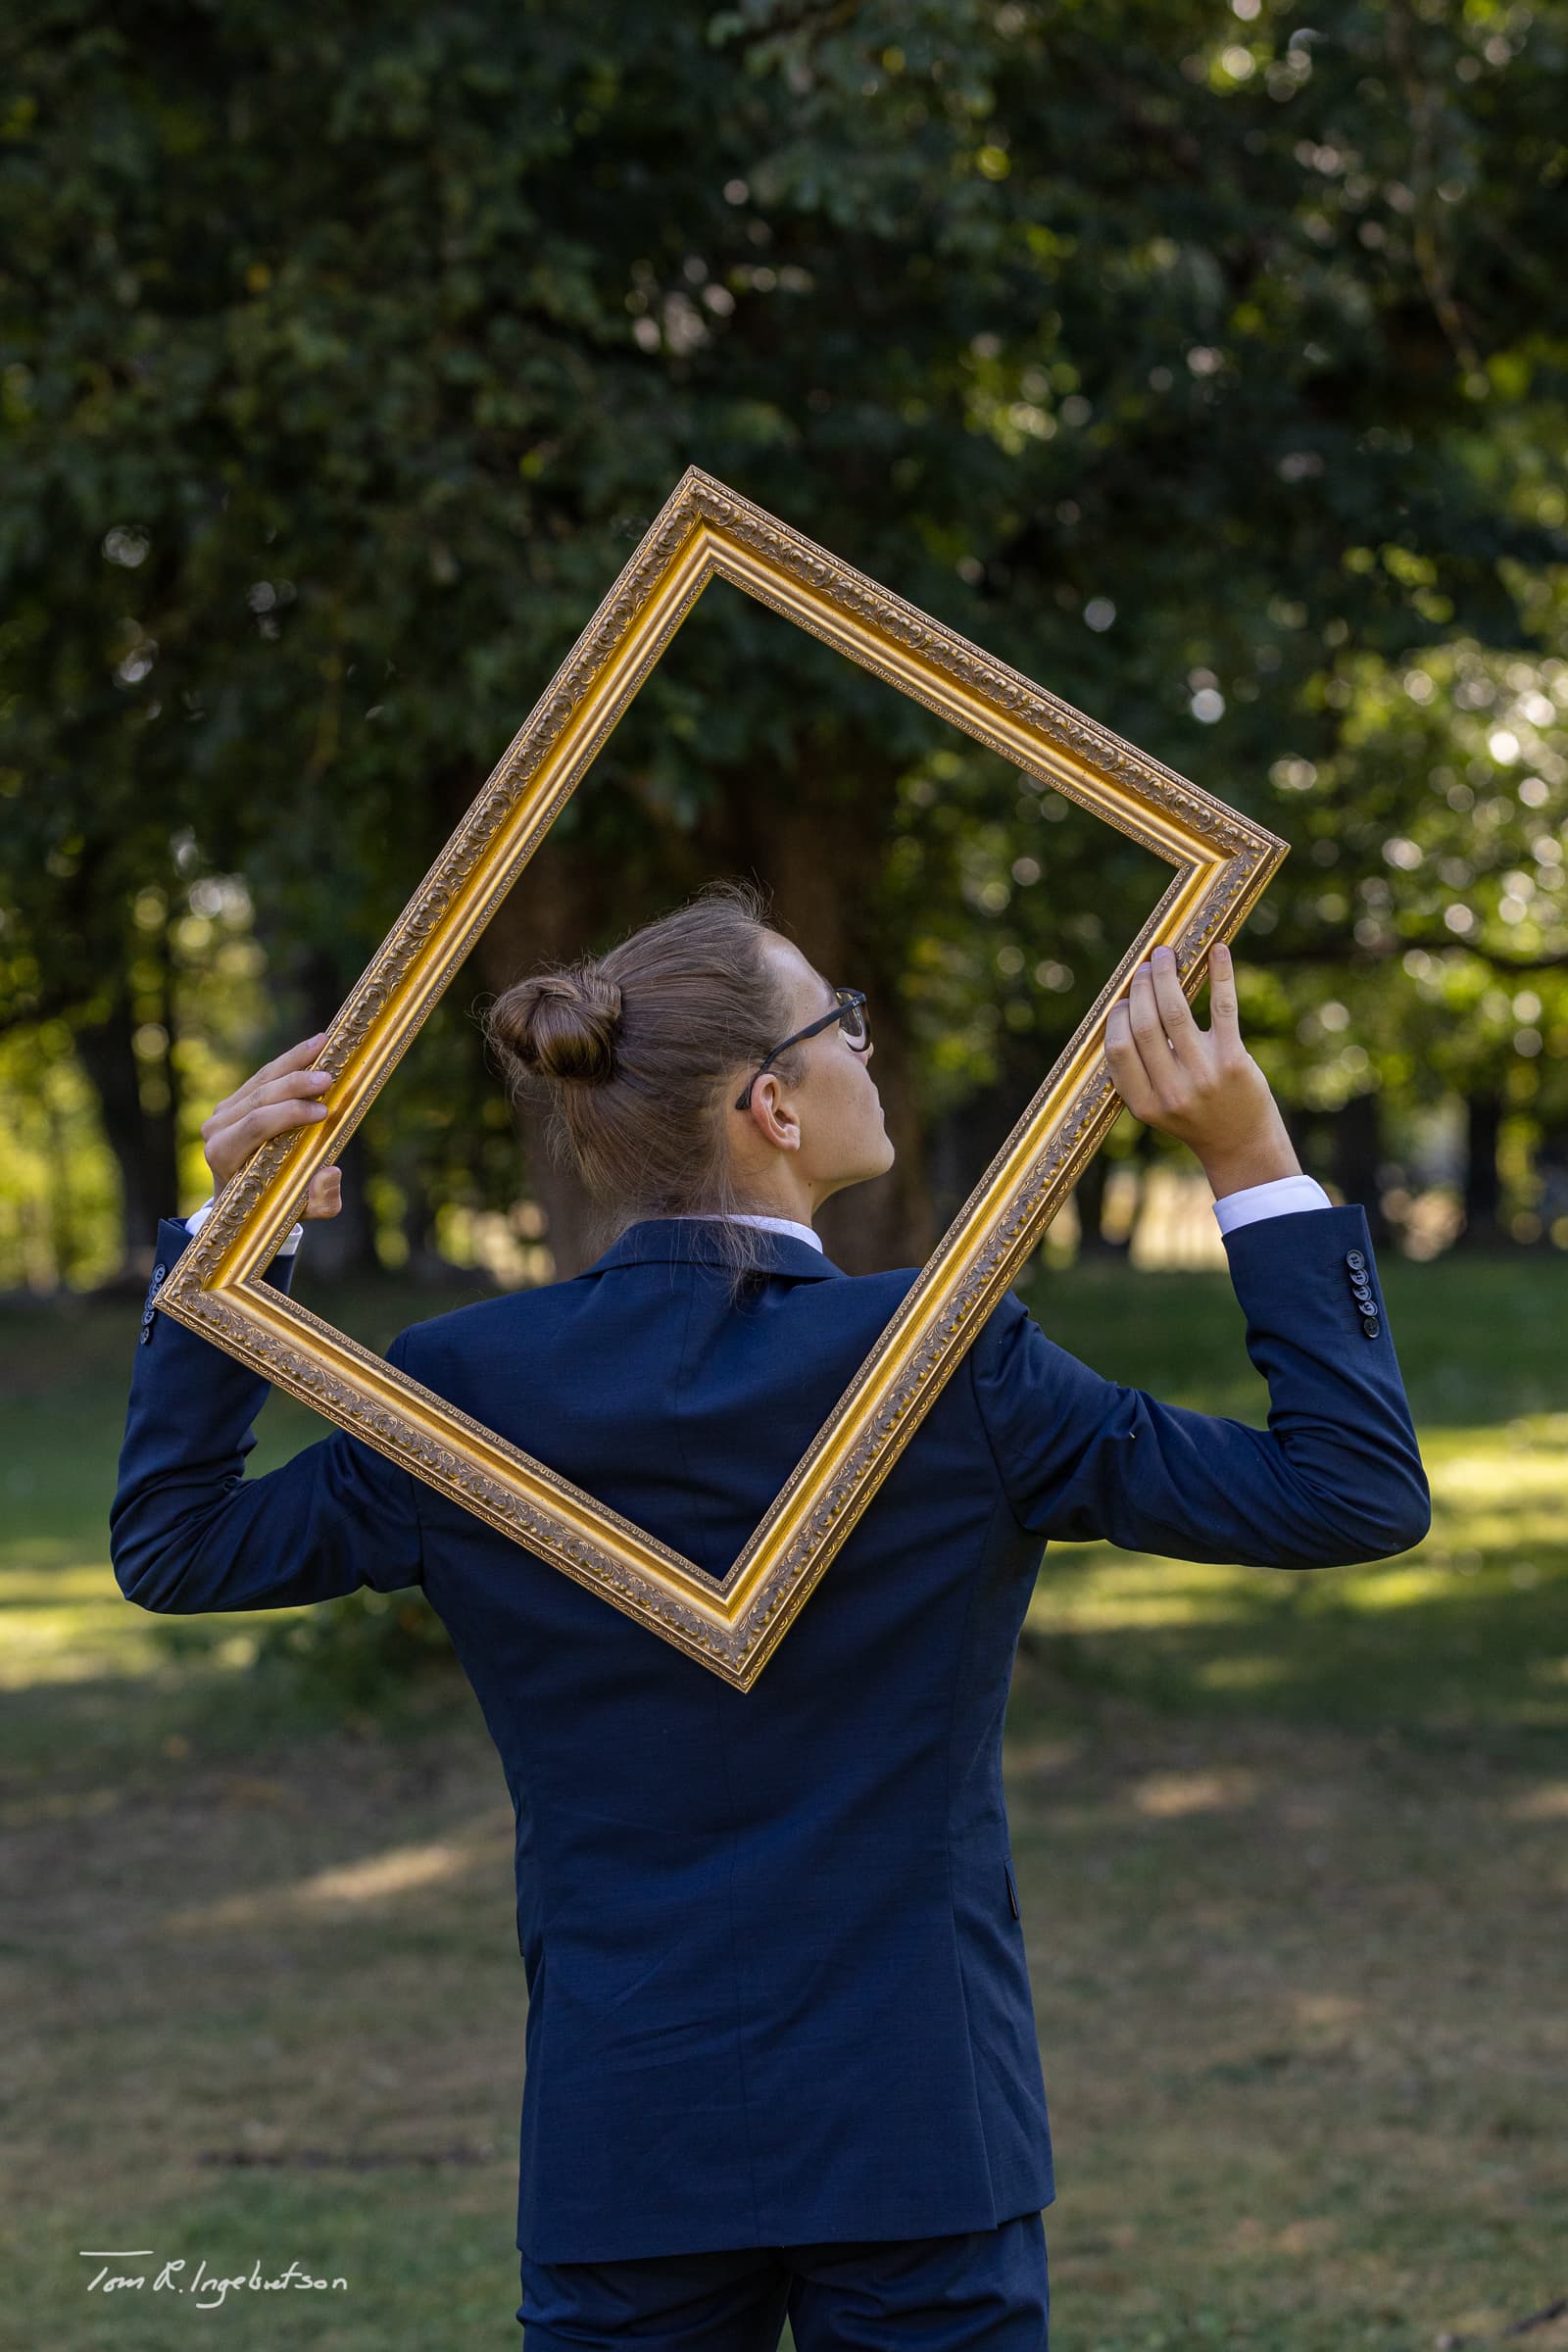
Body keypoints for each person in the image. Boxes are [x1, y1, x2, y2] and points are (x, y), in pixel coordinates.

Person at [111, 876, 1430, 2350]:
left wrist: (232, 1243)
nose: (868, 1047)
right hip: (919, 2128)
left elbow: (178, 1545)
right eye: (841, 1023)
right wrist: (1249, 1156)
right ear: (773, 1105)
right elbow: (1350, 1493)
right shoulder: (949, 1363)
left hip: (628, 2139)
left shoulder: (470, 1387)